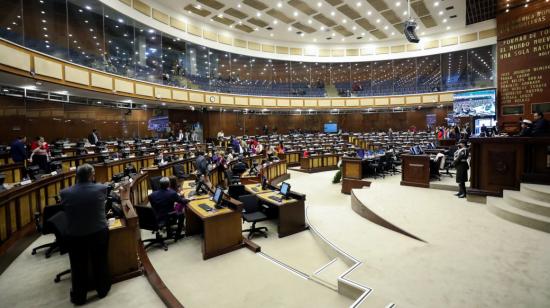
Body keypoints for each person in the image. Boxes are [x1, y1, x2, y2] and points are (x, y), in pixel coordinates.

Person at [60, 164, 111, 305]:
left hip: (76, 235)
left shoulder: (65, 193)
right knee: (100, 261)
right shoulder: (101, 188)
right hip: (98, 232)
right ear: (91, 175)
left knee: (78, 266)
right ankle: (103, 290)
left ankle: (79, 297)